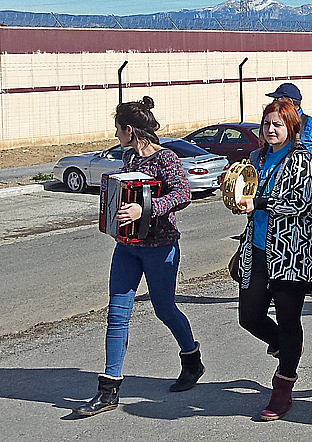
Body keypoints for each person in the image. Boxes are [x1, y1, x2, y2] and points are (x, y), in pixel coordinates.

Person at [75, 96, 202, 417]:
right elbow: (127, 189)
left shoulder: (167, 159)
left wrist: (145, 208)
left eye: (117, 130)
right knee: (117, 314)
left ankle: (192, 359)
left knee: (165, 310)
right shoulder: (129, 157)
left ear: (129, 129)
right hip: (128, 247)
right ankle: (108, 391)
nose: (115, 135)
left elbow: (183, 194)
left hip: (161, 248)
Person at [234, 98, 312, 421]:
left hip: (291, 253)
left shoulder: (303, 159)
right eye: (268, 123)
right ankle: (287, 348)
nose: (271, 130)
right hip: (256, 249)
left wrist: (259, 203)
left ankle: (283, 388)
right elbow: (246, 195)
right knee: (249, 316)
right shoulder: (256, 157)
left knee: (288, 319)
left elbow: (298, 202)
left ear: (291, 128)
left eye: (278, 125)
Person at [265, 83, 312, 296]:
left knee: (301, 237)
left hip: (304, 190)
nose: (274, 103)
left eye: (278, 100)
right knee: (277, 235)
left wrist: (303, 156)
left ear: (290, 103)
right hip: (277, 188)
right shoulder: (277, 125)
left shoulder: (311, 124)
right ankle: (278, 286)